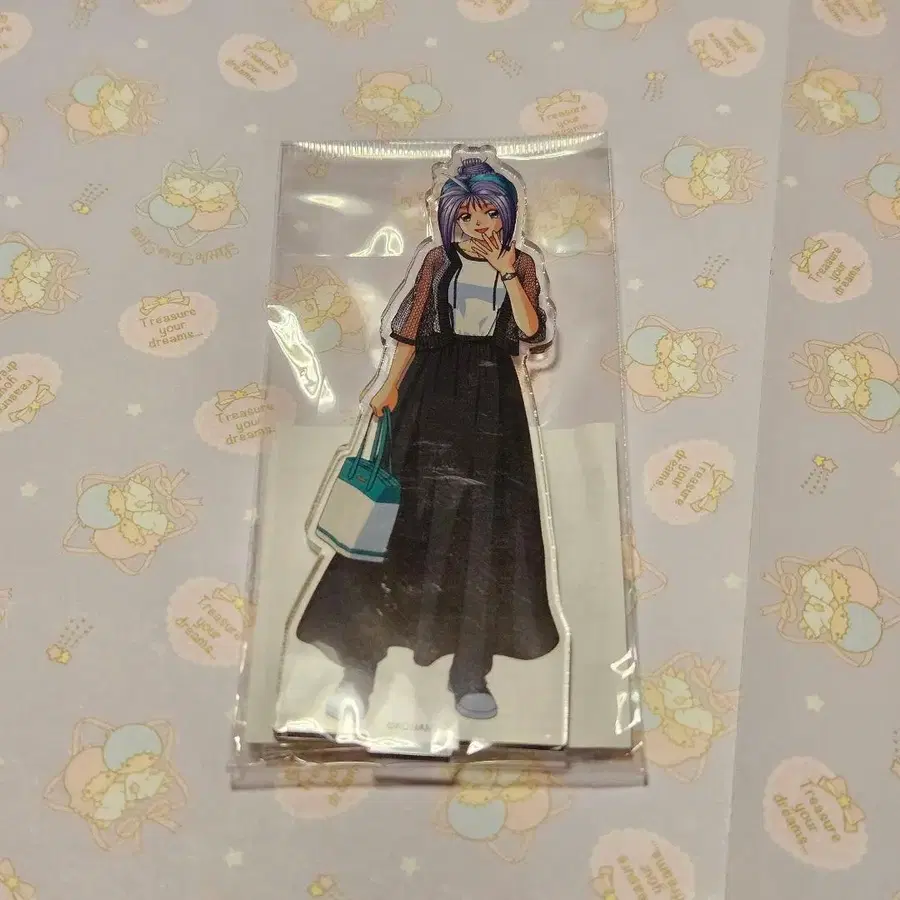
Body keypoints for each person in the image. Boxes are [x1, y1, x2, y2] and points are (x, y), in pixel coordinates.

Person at [296, 157, 560, 721]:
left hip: (493, 402)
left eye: (490, 213)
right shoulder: (437, 261)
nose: (479, 224)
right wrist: (389, 385)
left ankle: (471, 672)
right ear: (450, 217)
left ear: (507, 214)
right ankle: (358, 664)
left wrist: (508, 274)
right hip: (428, 393)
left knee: (483, 527)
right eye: (467, 215)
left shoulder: (522, 264)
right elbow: (412, 330)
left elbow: (532, 332)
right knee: (394, 517)